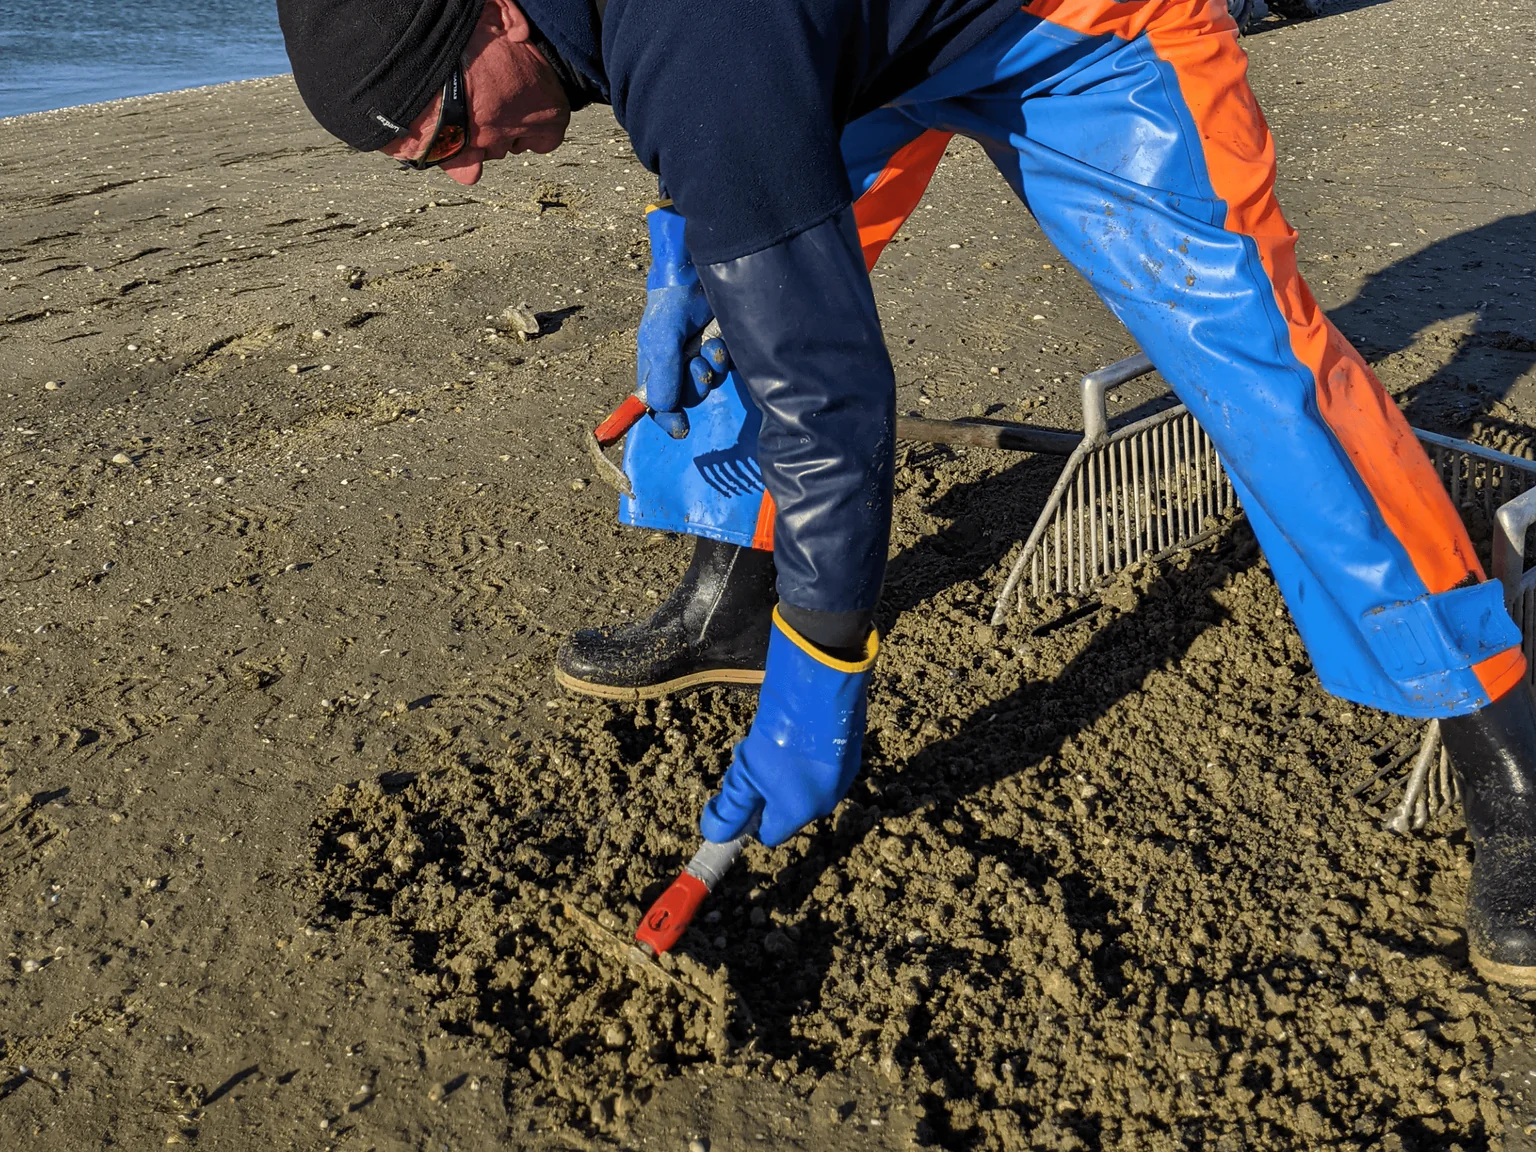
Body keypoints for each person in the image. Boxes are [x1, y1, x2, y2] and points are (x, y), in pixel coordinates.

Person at [276, 0, 1536, 984]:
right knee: (733, 290)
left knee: (1257, 369)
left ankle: (1501, 737)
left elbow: (831, 399)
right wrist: (681, 253)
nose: (466, 173)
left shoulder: (694, 35)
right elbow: (706, 104)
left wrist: (823, 674)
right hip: (855, 39)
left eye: (447, 136)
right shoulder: (590, 27)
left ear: (492, 18)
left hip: (1086, 26)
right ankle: (735, 595)